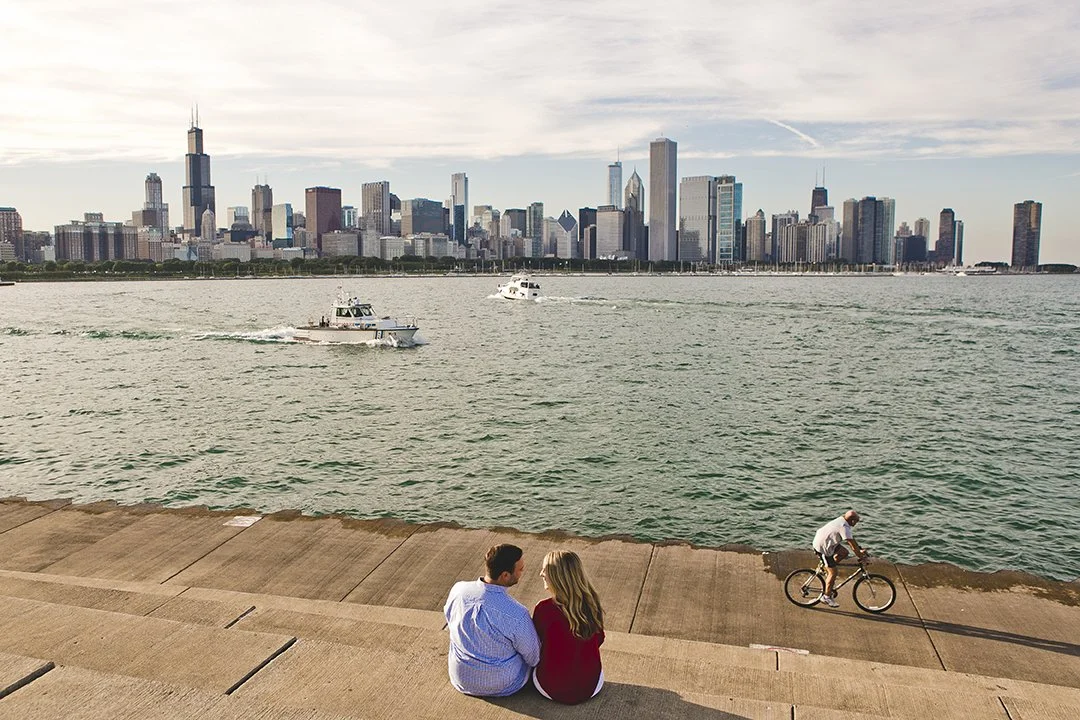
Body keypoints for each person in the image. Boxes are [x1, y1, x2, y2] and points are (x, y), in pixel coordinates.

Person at [444, 544, 540, 697]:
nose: (523, 572)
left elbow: (449, 619)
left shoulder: (458, 590)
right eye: (520, 569)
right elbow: (534, 657)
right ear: (505, 576)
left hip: (461, 678)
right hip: (503, 684)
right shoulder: (517, 613)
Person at [531, 550, 605, 704]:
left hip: (551, 688)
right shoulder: (592, 604)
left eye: (545, 569)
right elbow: (599, 639)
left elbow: (535, 648)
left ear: (557, 575)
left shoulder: (543, 609)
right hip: (590, 687)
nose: (541, 573)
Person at [812, 510, 870, 608]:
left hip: (827, 542)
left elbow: (852, 540)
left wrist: (859, 549)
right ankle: (826, 597)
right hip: (823, 548)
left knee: (844, 553)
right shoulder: (844, 527)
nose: (856, 524)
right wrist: (861, 556)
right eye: (856, 521)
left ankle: (827, 568)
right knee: (833, 572)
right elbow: (852, 544)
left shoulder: (842, 520)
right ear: (852, 521)